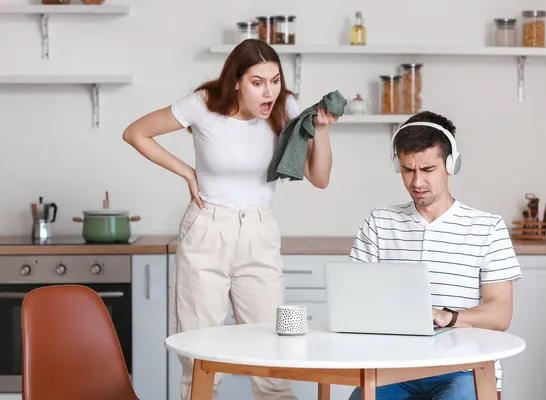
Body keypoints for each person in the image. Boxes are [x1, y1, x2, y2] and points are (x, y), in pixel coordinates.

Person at [122, 38, 339, 400]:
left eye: (274, 80)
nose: (269, 92)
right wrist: (187, 173)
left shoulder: (286, 107)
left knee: (275, 356)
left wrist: (322, 130)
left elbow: (320, 178)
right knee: (200, 359)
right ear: (236, 82)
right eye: (258, 82)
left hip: (260, 231)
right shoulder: (203, 104)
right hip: (207, 231)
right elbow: (136, 132)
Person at [347, 111, 522, 400]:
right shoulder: (379, 222)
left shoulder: (488, 227)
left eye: (428, 169)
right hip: (393, 368)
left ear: (451, 165)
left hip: (464, 369)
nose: (417, 182)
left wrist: (447, 317)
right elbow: (353, 300)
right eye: (407, 169)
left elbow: (500, 314)